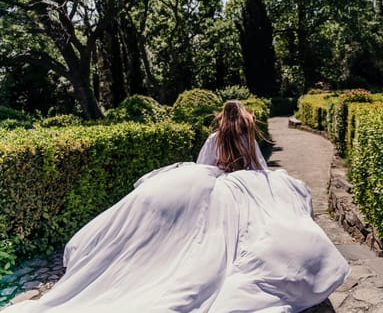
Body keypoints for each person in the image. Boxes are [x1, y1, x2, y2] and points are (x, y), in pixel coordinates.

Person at [3, 100, 350, 313]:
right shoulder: (246, 138)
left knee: (197, 237)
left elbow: (203, 165)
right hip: (245, 186)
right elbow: (258, 167)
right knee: (243, 237)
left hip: (217, 182)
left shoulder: (215, 138)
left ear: (221, 120)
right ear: (244, 121)